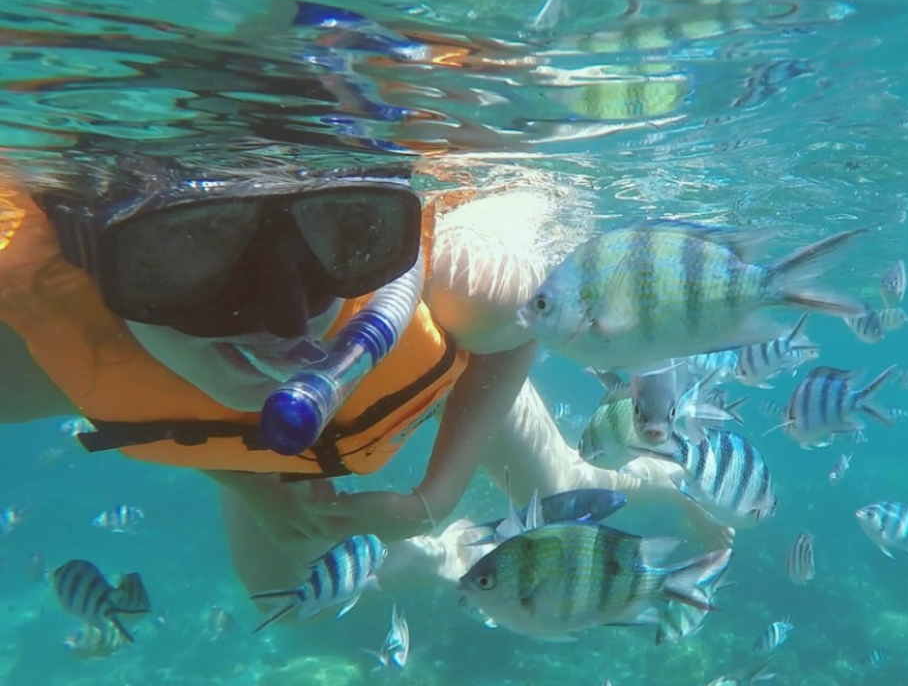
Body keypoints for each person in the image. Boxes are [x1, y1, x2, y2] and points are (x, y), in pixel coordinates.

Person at [0, 154, 723, 615]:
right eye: (186, 252)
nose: (284, 321)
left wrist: (436, 494)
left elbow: (526, 324)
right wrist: (244, 478)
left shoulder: (469, 289)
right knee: (274, 598)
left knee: (561, 479)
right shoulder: (25, 355)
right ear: (91, 259)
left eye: (331, 241)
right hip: (299, 433)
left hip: (430, 366)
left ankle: (669, 481)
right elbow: (138, 396)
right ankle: (451, 564)